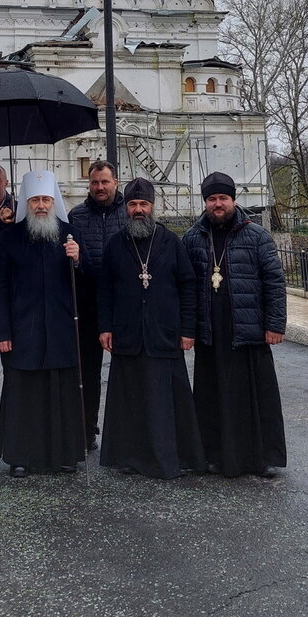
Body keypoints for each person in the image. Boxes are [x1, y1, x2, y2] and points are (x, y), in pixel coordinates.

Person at [97, 178, 206, 479]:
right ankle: (130, 457)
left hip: (164, 333)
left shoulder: (171, 242)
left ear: (152, 206)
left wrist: (187, 330)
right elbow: (105, 290)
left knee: (164, 400)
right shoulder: (116, 244)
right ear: (126, 208)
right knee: (130, 398)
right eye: (133, 204)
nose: (138, 210)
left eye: (143, 204)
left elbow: (187, 286)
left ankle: (168, 458)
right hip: (128, 334)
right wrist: (105, 327)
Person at [182, 172, 287, 479]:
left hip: (248, 328)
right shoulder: (192, 237)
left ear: (233, 200)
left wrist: (275, 324)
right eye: (212, 199)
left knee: (255, 396)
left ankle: (263, 457)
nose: (218, 205)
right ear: (205, 202)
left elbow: (274, 282)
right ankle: (213, 455)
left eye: (223, 199)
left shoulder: (256, 235)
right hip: (211, 330)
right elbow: (186, 286)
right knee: (212, 395)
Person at [0, 169, 85, 477]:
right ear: (26, 204)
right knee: (24, 394)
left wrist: (78, 260)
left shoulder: (70, 234)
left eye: (46, 199)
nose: (41, 206)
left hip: (60, 329)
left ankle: (64, 455)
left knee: (60, 391)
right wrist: (2, 331)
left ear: (53, 200)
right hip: (23, 330)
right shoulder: (10, 237)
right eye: (35, 200)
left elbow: (85, 285)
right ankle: (21, 456)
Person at [68, 159, 127, 449]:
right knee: (87, 373)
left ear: (116, 182)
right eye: (94, 182)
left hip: (123, 303)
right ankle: (86, 429)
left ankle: (124, 434)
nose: (100, 187)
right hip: (88, 303)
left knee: (127, 371)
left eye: (105, 181)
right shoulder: (76, 216)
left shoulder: (130, 213)